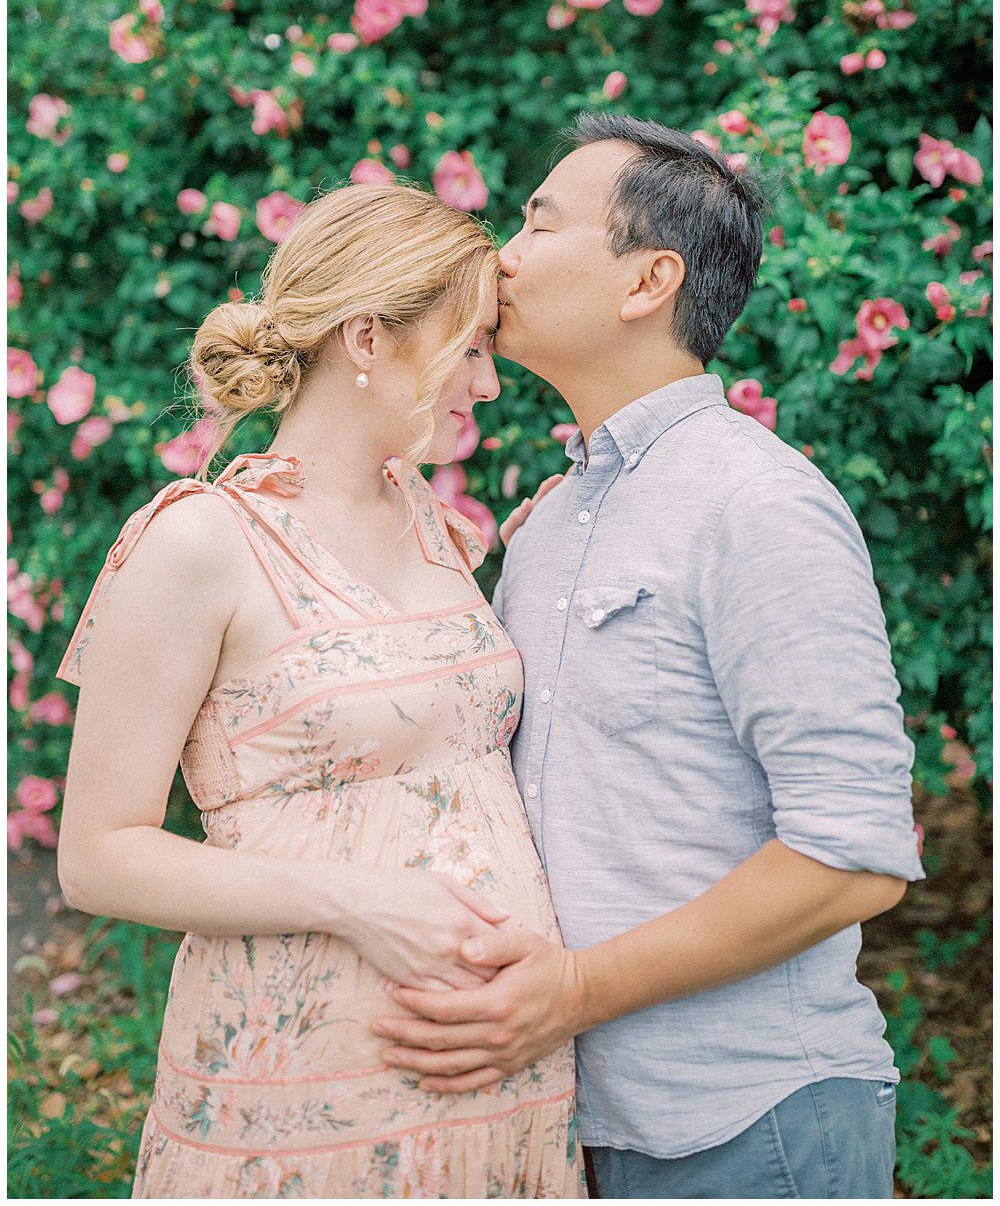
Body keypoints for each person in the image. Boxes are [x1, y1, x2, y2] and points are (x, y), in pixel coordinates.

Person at [371, 114, 926, 1200]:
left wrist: (572, 987)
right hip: (573, 1117)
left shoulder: (755, 503)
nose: (500, 255)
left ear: (647, 281)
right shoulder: (551, 518)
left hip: (748, 1120)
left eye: (539, 221)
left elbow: (853, 852)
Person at [55, 184, 583, 1200]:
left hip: (500, 1081)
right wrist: (361, 902)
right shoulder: (202, 540)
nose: (489, 382)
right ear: (367, 337)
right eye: (468, 346)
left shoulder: (435, 521)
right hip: (306, 1096)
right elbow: (97, 856)